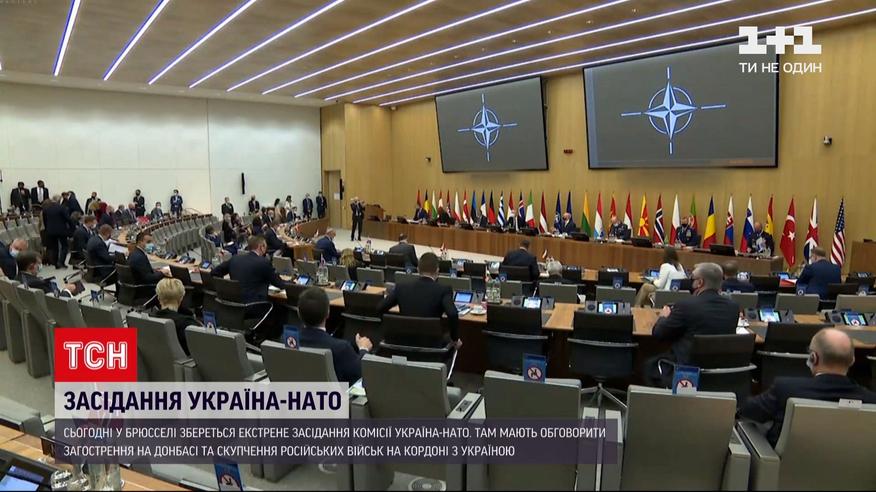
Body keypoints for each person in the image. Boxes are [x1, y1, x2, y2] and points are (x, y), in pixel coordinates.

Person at [739, 328, 876, 446]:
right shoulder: (871, 401)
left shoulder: (786, 389)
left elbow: (746, 412)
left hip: (785, 465)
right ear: (852, 360)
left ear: (813, 358)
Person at [645, 262, 740, 386]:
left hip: (686, 374)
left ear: (700, 283)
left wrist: (663, 317)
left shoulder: (686, 305)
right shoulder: (733, 308)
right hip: (720, 374)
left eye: (692, 279)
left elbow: (659, 334)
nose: (691, 283)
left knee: (648, 364)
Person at [379, 252, 461, 347]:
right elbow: (453, 314)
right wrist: (455, 338)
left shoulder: (401, 287)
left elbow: (380, 307)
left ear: (418, 269)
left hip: (403, 344)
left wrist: (392, 330)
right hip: (433, 346)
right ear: (437, 271)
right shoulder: (444, 290)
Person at [298, 287, 372, 384]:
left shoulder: (287, 342)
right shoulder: (340, 348)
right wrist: (363, 350)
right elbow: (361, 374)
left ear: (298, 313)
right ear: (328, 313)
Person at [153, 278, 200, 356]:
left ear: (158, 297)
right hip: (187, 362)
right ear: (181, 298)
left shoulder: (145, 321)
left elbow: (131, 359)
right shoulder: (188, 324)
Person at [42, 196, 73, 268]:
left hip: (51, 231)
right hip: (61, 230)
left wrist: (47, 229)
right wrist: (72, 227)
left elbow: (45, 220)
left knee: (54, 247)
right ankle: (61, 262)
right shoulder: (62, 208)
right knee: (64, 246)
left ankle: (55, 263)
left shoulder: (46, 209)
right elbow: (67, 218)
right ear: (59, 200)